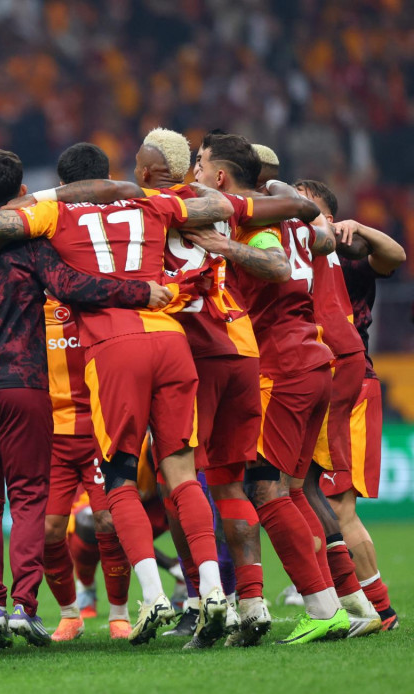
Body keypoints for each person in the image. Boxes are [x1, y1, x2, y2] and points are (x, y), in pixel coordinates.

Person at [0, 144, 233, 647]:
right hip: (33, 384)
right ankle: (32, 607)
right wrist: (139, 290)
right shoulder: (51, 237)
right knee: (35, 502)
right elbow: (75, 284)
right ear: (23, 191)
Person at [190, 132, 353, 643]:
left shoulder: (257, 220)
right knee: (293, 490)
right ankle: (349, 601)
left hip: (283, 367)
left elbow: (278, 265)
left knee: (264, 488)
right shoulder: (292, 212)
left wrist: (224, 246)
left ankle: (324, 608)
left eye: (201, 163)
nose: (195, 171)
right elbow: (323, 240)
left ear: (221, 176)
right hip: (310, 359)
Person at [294, 178, 404, 631]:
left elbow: (395, 257)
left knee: (339, 505)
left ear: (331, 219)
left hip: (352, 386)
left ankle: (379, 610)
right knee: (303, 492)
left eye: (307, 208)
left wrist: (361, 228)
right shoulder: (296, 255)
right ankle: (351, 601)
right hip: (318, 383)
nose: (296, 214)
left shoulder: (347, 257)